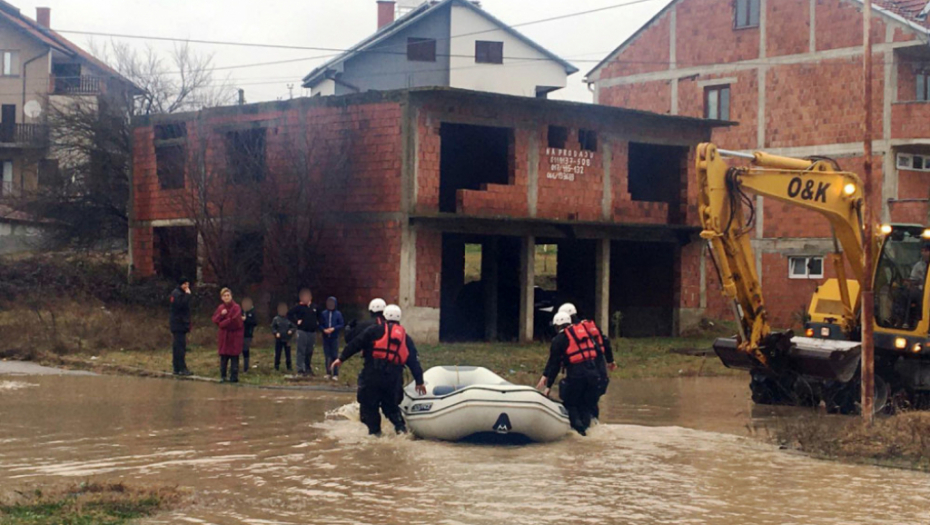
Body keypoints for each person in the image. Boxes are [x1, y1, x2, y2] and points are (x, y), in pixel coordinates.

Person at [330, 304, 427, 436]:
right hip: (393, 378)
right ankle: (401, 431)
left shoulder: (374, 330)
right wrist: (419, 381)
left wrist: (341, 358)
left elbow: (356, 344)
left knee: (370, 407)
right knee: (391, 408)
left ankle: (375, 435)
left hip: (372, 376)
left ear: (384, 316)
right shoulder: (405, 338)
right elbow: (413, 361)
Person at [536, 311, 604, 436]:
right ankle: (588, 433)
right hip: (594, 376)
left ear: (557, 326)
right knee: (585, 405)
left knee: (571, 404)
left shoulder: (559, 340)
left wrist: (548, 386)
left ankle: (579, 434)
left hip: (576, 377)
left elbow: (554, 364)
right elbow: (599, 354)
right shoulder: (585, 333)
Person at [557, 302, 617, 416]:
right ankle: (593, 427)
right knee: (591, 403)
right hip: (600, 374)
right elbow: (605, 342)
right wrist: (610, 361)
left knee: (578, 402)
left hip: (585, 374)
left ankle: (581, 429)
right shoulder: (590, 326)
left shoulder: (571, 332)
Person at [212, 288, 244, 383]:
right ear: (222, 298)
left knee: (234, 357)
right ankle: (223, 376)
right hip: (224, 337)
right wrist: (221, 316)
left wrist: (222, 324)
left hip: (234, 337)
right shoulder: (221, 308)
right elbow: (215, 319)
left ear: (231, 296)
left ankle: (234, 377)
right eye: (224, 296)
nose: (226, 297)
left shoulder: (236, 307)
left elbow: (235, 321)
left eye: (228, 295)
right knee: (224, 358)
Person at [287, 288, 319, 376]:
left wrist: (317, 324)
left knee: (309, 351)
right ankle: (300, 369)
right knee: (301, 350)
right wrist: (296, 321)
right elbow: (289, 314)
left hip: (312, 332)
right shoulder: (299, 307)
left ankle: (308, 367)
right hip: (302, 331)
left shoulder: (314, 307)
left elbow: (319, 317)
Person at [169, 277, 193, 376]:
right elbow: (180, 305)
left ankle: (177, 367)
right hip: (178, 324)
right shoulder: (177, 294)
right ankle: (181, 368)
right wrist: (187, 295)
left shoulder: (178, 293)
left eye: (188, 284)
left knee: (178, 346)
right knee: (180, 347)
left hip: (179, 324)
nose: (187, 287)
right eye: (185, 284)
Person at [321, 296, 345, 381]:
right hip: (326, 338)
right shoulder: (324, 313)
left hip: (334, 337)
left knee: (334, 355)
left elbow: (341, 324)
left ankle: (335, 374)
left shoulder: (338, 314)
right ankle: (328, 372)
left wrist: (334, 329)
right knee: (327, 356)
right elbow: (320, 324)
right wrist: (324, 330)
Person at [271, 302, 296, 372]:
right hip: (279, 340)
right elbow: (273, 328)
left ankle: (289, 367)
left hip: (287, 339)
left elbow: (294, 327)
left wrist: (291, 331)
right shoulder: (276, 319)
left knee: (288, 354)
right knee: (278, 353)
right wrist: (276, 333)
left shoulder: (289, 319)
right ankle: (276, 366)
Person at [241, 297, 258, 372]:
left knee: (245, 350)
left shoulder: (252, 312)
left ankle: (246, 367)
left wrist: (246, 320)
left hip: (248, 334)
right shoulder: (241, 311)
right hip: (239, 333)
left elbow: (255, 323)